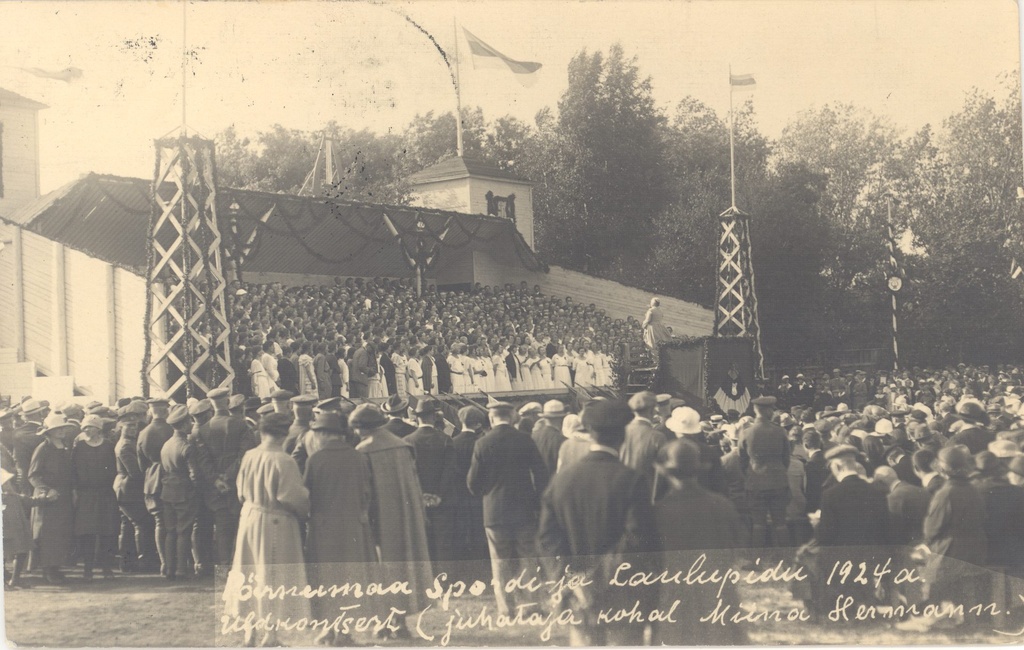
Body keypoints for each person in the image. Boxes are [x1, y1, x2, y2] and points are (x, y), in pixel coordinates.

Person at [537, 399, 654, 646]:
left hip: (577, 595)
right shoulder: (631, 481)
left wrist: (571, 581)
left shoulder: (561, 481)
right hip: (622, 592)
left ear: (590, 434)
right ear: (623, 436)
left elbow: (547, 539)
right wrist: (598, 578)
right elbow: (637, 539)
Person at [223, 413, 310, 648]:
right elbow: (292, 497)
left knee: (249, 574)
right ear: (285, 433)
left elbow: (240, 491)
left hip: (250, 517)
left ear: (262, 432)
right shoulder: (284, 460)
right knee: (271, 576)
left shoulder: (250, 456)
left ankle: (249, 634)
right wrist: (307, 509)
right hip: (275, 521)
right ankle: (270, 636)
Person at [650, 439, 747, 646]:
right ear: (699, 470)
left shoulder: (658, 511)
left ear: (666, 472)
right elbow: (736, 544)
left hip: (674, 592)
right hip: (717, 588)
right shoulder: (722, 505)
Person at [351, 404, 433, 639]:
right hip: (407, 518)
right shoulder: (402, 445)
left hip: (379, 521)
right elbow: (415, 484)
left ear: (362, 427)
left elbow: (364, 492)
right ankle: (400, 621)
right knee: (404, 568)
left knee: (382, 571)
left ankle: (385, 621)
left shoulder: (364, 450)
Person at [467, 400, 549, 617]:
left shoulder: (482, 443)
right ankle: (531, 606)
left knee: (500, 561)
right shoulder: (525, 440)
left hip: (494, 511)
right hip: (524, 509)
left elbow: (473, 483)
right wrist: (537, 500)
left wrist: (488, 492)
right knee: (527, 558)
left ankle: (506, 608)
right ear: (513, 417)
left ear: (492, 418)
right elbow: (541, 474)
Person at [302, 411, 376, 646]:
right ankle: (343, 629)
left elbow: (308, 496)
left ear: (324, 433)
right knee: (349, 579)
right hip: (353, 528)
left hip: (323, 529)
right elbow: (367, 493)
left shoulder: (315, 459)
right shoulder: (358, 457)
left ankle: (328, 627)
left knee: (325, 579)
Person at [810, 445, 892, 618]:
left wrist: (817, 524)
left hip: (841, 555)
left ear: (837, 467)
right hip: (872, 553)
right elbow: (885, 526)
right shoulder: (876, 491)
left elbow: (825, 536)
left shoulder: (831, 494)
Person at [197, 387, 256, 567]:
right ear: (227, 402)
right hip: (237, 483)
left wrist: (216, 479)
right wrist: (229, 476)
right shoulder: (240, 424)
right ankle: (238, 567)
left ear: (211, 405)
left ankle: (223, 569)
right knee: (240, 525)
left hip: (215, 488)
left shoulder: (202, 430)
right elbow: (245, 454)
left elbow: (203, 460)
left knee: (222, 527)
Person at [405, 399, 457, 572]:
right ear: (434, 417)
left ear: (417, 417)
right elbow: (450, 472)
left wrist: (421, 495)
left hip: (417, 501)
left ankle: (426, 579)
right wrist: (438, 495)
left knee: (422, 542)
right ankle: (445, 581)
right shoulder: (446, 440)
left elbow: (409, 473)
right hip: (443, 501)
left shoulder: (407, 441)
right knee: (444, 543)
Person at [28, 414, 77, 584]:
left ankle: (55, 567)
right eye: (59, 429)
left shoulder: (64, 448)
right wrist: (46, 491)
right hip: (47, 499)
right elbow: (33, 475)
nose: (62, 431)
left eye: (63, 428)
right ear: (50, 432)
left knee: (61, 533)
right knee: (47, 534)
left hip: (63, 497)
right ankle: (47, 569)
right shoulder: (43, 449)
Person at [72, 414, 120, 579]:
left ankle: (107, 567)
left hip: (105, 493)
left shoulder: (108, 446)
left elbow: (113, 468)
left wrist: (106, 482)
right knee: (88, 533)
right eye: (84, 427)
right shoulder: (79, 447)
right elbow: (75, 471)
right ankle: (88, 569)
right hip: (86, 494)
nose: (86, 430)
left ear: (98, 429)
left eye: (89, 427)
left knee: (107, 531)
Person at [741, 396, 792, 551]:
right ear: (767, 410)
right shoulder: (780, 431)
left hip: (755, 482)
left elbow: (742, 459)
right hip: (778, 482)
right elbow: (786, 459)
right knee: (780, 523)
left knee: (758, 524)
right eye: (772, 409)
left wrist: (751, 474)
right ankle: (788, 561)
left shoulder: (746, 433)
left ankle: (756, 560)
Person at [159, 405, 202, 581]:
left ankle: (169, 569)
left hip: (167, 490)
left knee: (170, 531)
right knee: (184, 531)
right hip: (184, 492)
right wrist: (197, 488)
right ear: (184, 425)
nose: (192, 424)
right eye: (189, 421)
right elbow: (194, 474)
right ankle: (181, 570)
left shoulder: (166, 445)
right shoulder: (187, 446)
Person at [114, 400, 157, 573]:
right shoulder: (125, 446)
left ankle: (127, 562)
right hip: (129, 489)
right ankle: (144, 560)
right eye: (128, 426)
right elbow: (135, 473)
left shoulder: (127, 443)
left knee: (128, 524)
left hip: (125, 489)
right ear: (121, 428)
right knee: (142, 524)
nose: (132, 429)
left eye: (134, 426)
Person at [138, 398, 173, 574]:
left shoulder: (143, 432)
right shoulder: (172, 429)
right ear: (166, 410)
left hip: (151, 479)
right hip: (171, 478)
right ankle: (175, 562)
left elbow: (140, 463)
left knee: (159, 523)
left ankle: (164, 562)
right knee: (174, 522)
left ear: (151, 411)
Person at [452, 406, 489, 567]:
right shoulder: (481, 443)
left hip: (459, 495)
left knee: (463, 529)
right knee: (480, 531)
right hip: (479, 494)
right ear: (478, 424)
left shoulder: (452, 443)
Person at [620, 391, 668, 479]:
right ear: (653, 410)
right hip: (646, 489)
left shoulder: (620, 432)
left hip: (622, 488)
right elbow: (663, 472)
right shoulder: (657, 437)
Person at [532, 400, 567, 476]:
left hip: (538, 482)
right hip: (555, 483)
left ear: (544, 417)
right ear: (562, 418)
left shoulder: (533, 436)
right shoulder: (563, 440)